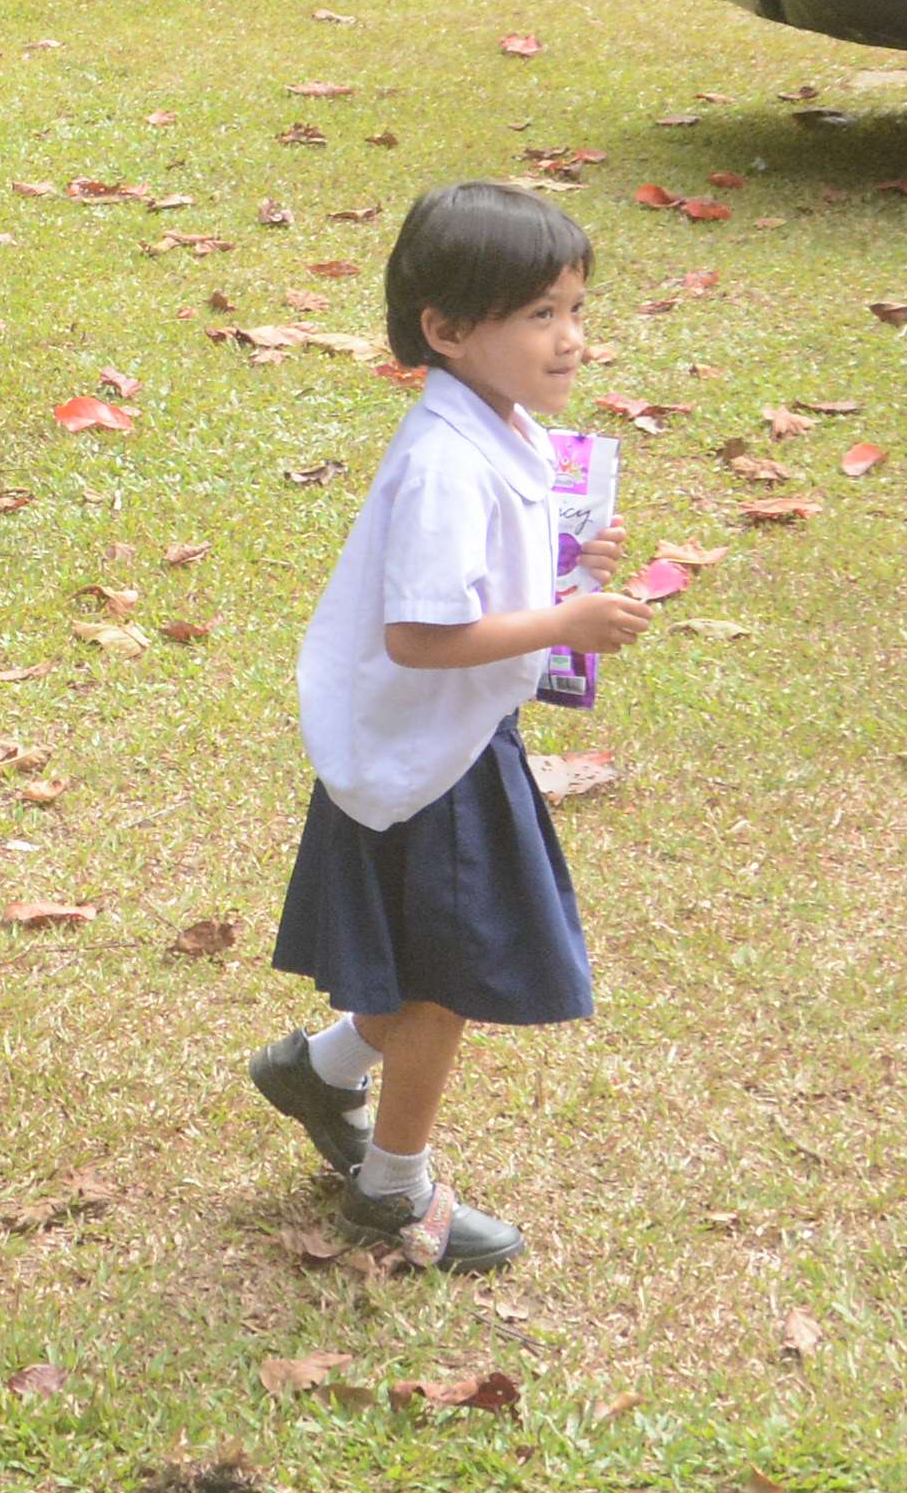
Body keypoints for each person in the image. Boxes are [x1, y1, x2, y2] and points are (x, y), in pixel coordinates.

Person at [239, 182, 648, 1273]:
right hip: (428, 760)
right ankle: (391, 1189)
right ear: (448, 329)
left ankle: (317, 1072)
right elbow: (421, 632)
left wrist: (567, 566)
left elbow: (478, 582)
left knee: (432, 963)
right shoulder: (442, 463)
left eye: (576, 308)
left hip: (458, 743)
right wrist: (563, 621)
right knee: (443, 982)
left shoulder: (501, 427)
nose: (572, 338)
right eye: (541, 315)